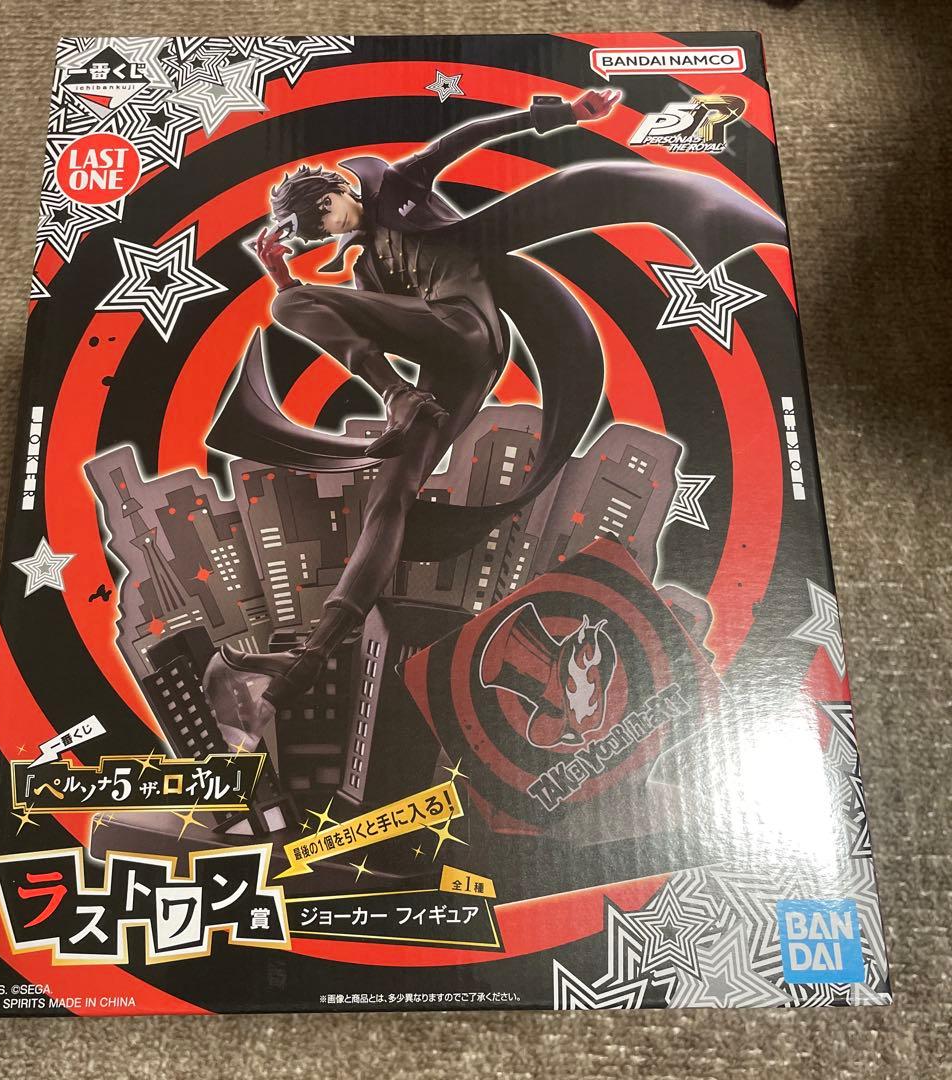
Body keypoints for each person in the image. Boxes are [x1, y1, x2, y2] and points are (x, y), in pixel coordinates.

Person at [204, 86, 785, 707]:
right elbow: (365, 325)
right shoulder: (368, 269)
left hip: (467, 330)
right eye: (314, 233)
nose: (326, 231)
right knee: (389, 498)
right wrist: (283, 275)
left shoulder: (399, 186)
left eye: (321, 218)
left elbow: (466, 136)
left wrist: (565, 113)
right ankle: (313, 654)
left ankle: (396, 396)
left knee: (292, 304)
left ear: (338, 193)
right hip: (445, 376)